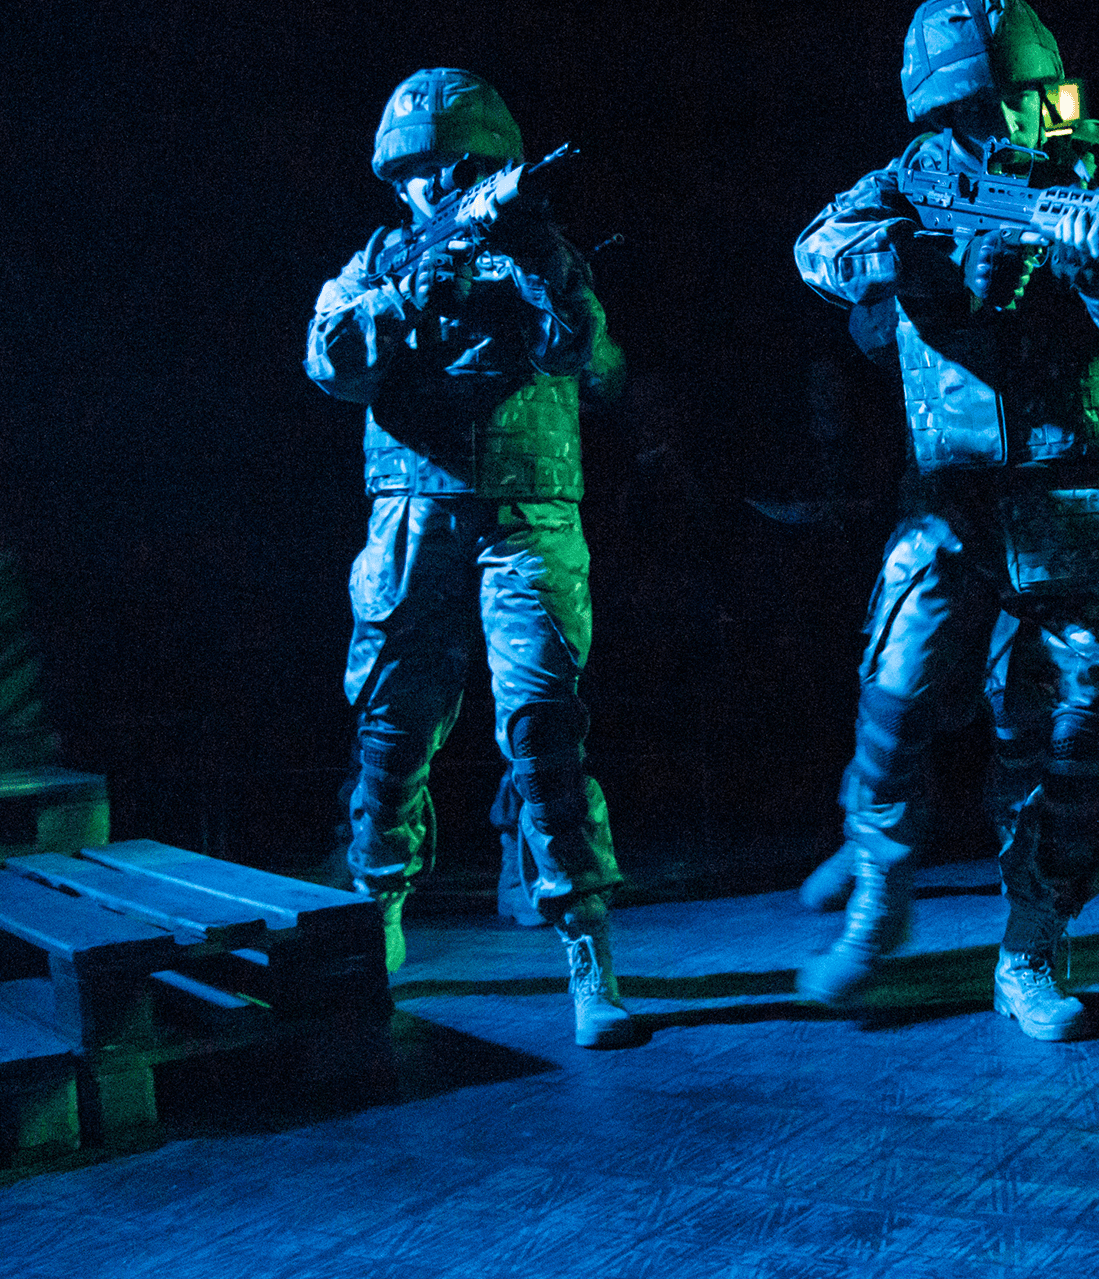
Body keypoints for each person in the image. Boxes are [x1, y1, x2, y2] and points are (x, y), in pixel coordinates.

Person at [791, 0, 1099, 1040]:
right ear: (940, 113)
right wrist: (927, 266)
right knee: (894, 697)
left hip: (1076, 499)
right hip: (953, 502)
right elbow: (817, 252)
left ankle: (1031, 944)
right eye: (980, 106)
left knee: (1068, 735)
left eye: (1024, 96)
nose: (1011, 122)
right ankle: (880, 882)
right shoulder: (909, 182)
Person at [305, 68, 636, 1048]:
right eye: (417, 171)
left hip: (527, 512)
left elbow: (590, 360)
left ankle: (586, 949)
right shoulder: (377, 262)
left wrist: (533, 257)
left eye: (455, 169)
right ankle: (375, 907)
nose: (433, 186)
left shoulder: (542, 252)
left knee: (543, 725)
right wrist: (421, 282)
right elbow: (330, 361)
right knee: (394, 729)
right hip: (415, 514)